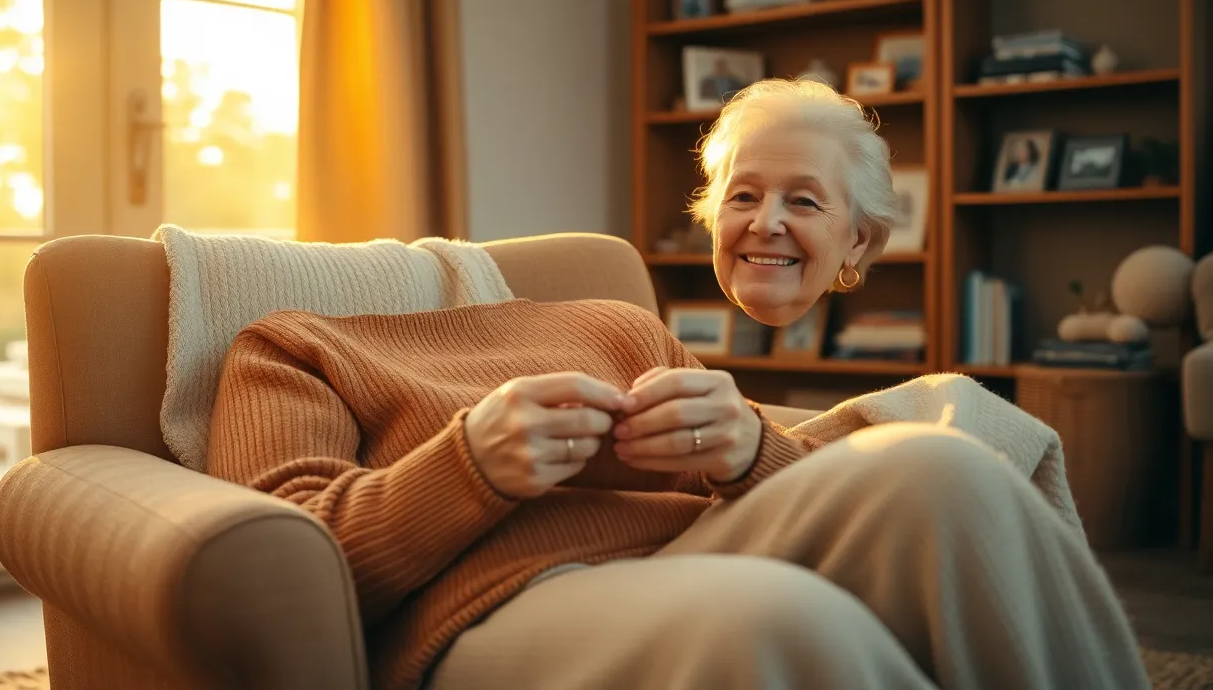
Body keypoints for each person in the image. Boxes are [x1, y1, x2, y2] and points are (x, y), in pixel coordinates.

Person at [207, 79, 1150, 690]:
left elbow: (747, 481)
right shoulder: (289, 344)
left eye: (797, 200)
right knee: (787, 623)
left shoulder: (609, 322)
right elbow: (285, 577)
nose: (764, 221)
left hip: (690, 550)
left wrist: (745, 448)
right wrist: (468, 465)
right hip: (500, 605)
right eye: (743, 195)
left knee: (945, 468)